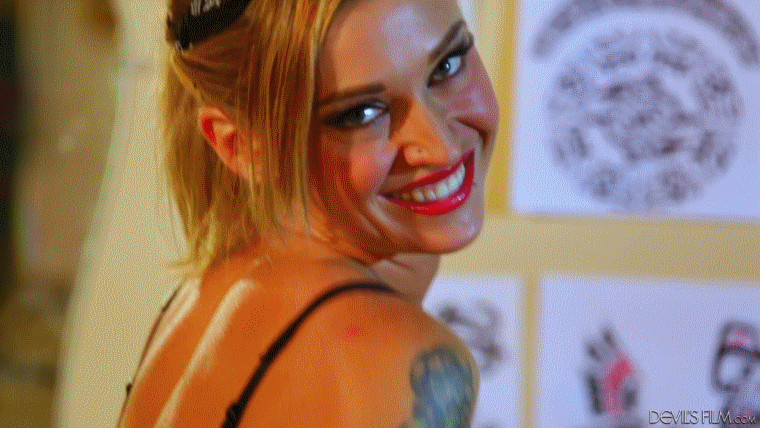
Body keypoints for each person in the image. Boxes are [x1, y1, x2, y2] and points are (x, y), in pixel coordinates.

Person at [117, 0, 499, 426]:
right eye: (361, 113)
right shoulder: (387, 356)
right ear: (241, 146)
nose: (442, 147)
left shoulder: (198, 300)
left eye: (447, 66)